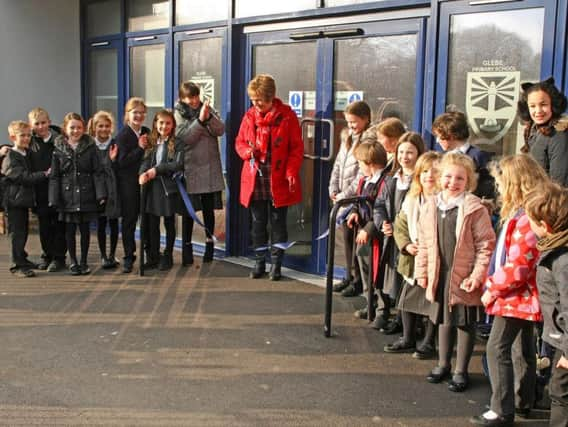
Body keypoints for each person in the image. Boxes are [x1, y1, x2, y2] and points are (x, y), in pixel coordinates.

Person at [470, 154, 547, 426]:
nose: (499, 188)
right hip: (522, 297)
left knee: (496, 348)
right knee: (520, 349)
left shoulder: (525, 218)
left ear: (516, 182)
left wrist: (492, 287)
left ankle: (501, 410)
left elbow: (518, 266)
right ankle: (522, 401)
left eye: (502, 182)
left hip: (515, 297)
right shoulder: (525, 213)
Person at [415, 152, 496, 393]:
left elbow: (485, 245)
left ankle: (461, 370)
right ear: (440, 177)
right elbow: (424, 242)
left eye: (460, 178)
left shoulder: (474, 208)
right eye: (448, 176)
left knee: (464, 323)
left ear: (469, 181)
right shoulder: (431, 205)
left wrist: (477, 275)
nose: (453, 182)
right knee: (443, 320)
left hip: (463, 274)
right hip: (440, 273)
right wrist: (422, 272)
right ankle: (443, 364)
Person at [235, 74, 303, 281]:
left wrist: (291, 172)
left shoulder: (287, 117)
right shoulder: (249, 117)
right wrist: (247, 152)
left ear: (271, 97)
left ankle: (277, 265)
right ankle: (259, 262)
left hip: (278, 179)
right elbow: (239, 142)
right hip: (256, 178)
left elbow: (296, 149)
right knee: (257, 223)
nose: (256, 104)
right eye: (253, 99)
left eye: (260, 100)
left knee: (278, 223)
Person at [390, 151, 442, 359]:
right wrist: (406, 245)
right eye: (425, 171)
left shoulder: (443, 200)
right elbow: (400, 225)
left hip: (434, 261)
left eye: (434, 172)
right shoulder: (412, 199)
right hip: (412, 259)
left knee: (433, 304)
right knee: (407, 301)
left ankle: (429, 342)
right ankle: (408, 337)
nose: (429, 175)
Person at [525, 182, 568, 427]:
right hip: (559, 338)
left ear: (545, 226)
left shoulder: (562, 259)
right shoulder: (555, 248)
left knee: (561, 395)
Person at [374, 132, 425, 336]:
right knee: (394, 278)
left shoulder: (422, 180)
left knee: (409, 280)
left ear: (419, 153)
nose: (405, 157)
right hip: (392, 238)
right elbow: (379, 205)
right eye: (401, 152)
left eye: (410, 152)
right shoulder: (391, 179)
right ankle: (398, 318)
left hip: (410, 239)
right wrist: (383, 223)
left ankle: (413, 324)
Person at [174, 81, 225, 265]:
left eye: (196, 96)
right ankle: (187, 248)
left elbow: (220, 130)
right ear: (182, 98)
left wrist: (208, 117)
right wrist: (201, 122)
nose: (194, 100)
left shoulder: (208, 109)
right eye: (190, 97)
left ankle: (209, 245)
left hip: (209, 166)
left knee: (208, 208)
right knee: (189, 210)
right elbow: (186, 137)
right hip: (191, 167)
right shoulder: (178, 114)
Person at [49, 113, 106, 275]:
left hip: (87, 194)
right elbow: (54, 176)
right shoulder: (58, 149)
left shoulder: (90, 147)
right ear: (65, 129)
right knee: (69, 230)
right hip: (67, 197)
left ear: (84, 128)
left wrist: (101, 194)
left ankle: (84, 261)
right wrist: (53, 198)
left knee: (85, 230)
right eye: (72, 127)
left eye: (79, 127)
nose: (76, 131)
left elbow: (97, 172)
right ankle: (73, 261)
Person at [329, 100, 373, 296]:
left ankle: (357, 281)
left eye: (354, 122)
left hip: (355, 199)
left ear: (365, 120)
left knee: (355, 241)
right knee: (346, 240)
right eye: (348, 122)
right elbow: (338, 164)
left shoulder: (369, 141)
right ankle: (348, 275)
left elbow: (362, 175)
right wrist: (334, 188)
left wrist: (344, 196)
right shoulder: (347, 137)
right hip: (342, 196)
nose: (351, 126)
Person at [346, 142, 388, 320]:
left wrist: (369, 229)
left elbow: (382, 208)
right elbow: (358, 200)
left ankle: (382, 310)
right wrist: (354, 212)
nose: (359, 166)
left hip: (376, 235)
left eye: (360, 163)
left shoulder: (384, 181)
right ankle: (369, 302)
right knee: (364, 268)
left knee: (378, 272)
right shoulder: (364, 180)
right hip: (363, 233)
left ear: (370, 163)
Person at [2, 121, 50, 278]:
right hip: (14, 201)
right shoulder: (11, 156)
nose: (26, 138)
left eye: (29, 135)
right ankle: (17, 265)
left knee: (23, 231)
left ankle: (22, 258)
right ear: (12, 137)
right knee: (16, 232)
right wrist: (44, 174)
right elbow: (23, 177)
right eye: (22, 135)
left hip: (22, 200)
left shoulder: (26, 153)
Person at [139, 109, 184, 271]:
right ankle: (153, 256)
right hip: (152, 188)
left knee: (169, 221)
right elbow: (145, 161)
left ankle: (168, 255)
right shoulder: (151, 141)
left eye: (168, 123)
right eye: (161, 123)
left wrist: (156, 170)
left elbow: (177, 164)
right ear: (155, 124)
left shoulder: (177, 142)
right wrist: (142, 173)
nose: (164, 126)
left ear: (172, 125)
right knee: (152, 223)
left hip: (168, 188)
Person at [28, 107, 67, 272]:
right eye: (37, 124)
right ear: (31, 125)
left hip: (58, 189)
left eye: (43, 123)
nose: (41, 127)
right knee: (44, 226)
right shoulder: (30, 142)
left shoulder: (59, 140)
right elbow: (15, 145)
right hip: (40, 190)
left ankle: (59, 258)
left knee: (59, 225)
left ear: (49, 123)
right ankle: (47, 255)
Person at [116, 97, 150, 273]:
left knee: (148, 220)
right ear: (127, 115)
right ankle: (129, 257)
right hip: (129, 186)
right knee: (129, 222)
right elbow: (122, 162)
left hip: (146, 183)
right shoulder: (123, 136)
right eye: (134, 112)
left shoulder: (146, 131)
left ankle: (150, 254)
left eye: (141, 112)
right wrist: (139, 148)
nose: (138, 115)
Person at [432, 111, 495, 200]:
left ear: (450, 135)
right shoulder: (444, 158)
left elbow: (488, 188)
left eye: (439, 136)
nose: (437, 141)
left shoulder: (478, 156)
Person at [518, 77, 568, 187]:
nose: (538, 111)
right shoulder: (533, 130)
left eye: (543, 104)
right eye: (532, 106)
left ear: (553, 105)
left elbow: (559, 184)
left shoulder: (559, 134)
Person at [87, 110, 120, 269]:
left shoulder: (114, 144)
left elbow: (116, 166)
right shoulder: (90, 145)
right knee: (101, 223)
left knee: (113, 222)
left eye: (107, 126)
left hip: (113, 188)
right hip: (97, 189)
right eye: (100, 126)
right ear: (94, 127)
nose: (104, 129)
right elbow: (96, 169)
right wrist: (109, 162)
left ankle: (113, 254)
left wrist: (111, 162)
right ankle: (103, 255)